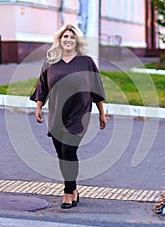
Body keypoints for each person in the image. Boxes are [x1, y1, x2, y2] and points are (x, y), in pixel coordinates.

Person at [30, 23, 107, 209]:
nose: (69, 40)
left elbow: (96, 87)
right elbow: (42, 86)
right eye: (65, 37)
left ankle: (67, 192)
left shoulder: (86, 62)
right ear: (59, 39)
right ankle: (74, 190)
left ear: (77, 41)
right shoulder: (51, 61)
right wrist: (38, 107)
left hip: (79, 114)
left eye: (72, 37)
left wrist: (102, 113)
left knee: (69, 151)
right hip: (57, 113)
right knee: (62, 154)